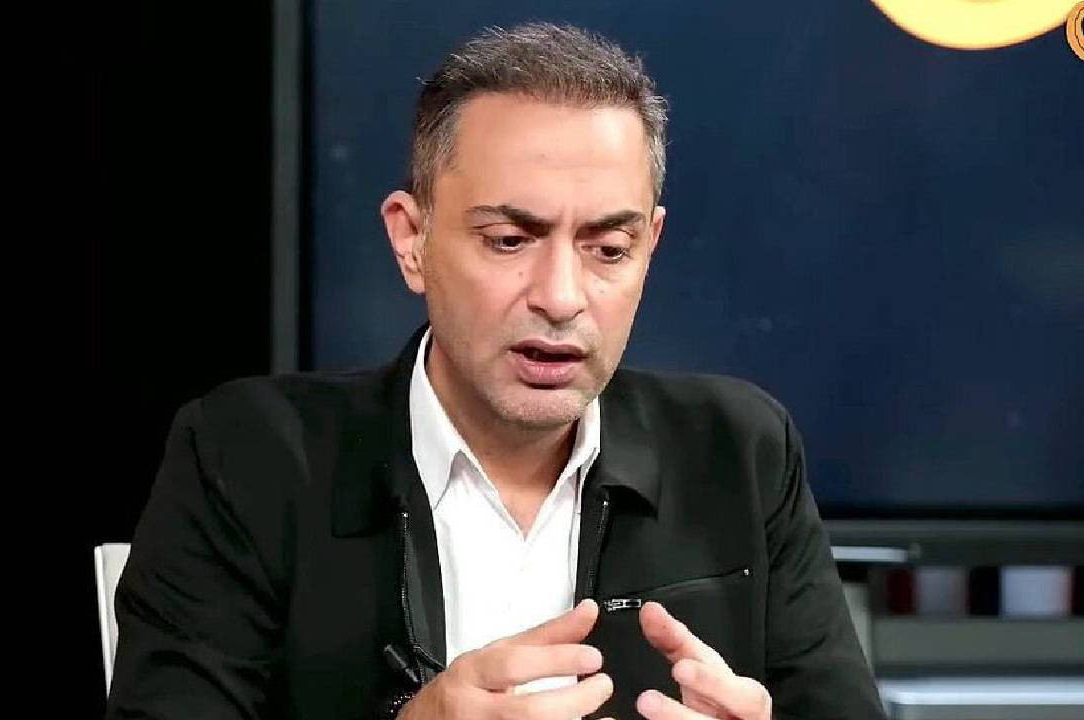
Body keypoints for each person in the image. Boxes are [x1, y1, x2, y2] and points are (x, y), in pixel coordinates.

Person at [105, 22, 885, 720]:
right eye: (510, 240)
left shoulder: (741, 452)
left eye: (608, 250)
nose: (561, 297)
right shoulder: (247, 457)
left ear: (650, 246)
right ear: (411, 240)